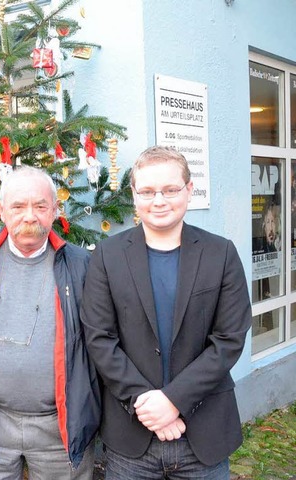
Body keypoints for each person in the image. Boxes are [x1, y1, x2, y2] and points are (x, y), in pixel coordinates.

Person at [81, 146, 251, 479]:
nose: (159, 200)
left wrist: (172, 400)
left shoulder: (221, 253)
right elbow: (99, 338)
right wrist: (145, 402)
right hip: (130, 436)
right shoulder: (107, 255)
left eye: (170, 189)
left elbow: (229, 339)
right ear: (134, 195)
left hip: (203, 434)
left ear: (189, 190)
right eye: (147, 191)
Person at [0, 166, 101, 479]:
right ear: (0, 211)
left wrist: (93, 414)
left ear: (55, 210)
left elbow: (101, 343)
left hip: (61, 427)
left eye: (40, 206)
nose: (29, 216)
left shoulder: (82, 267)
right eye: (18, 206)